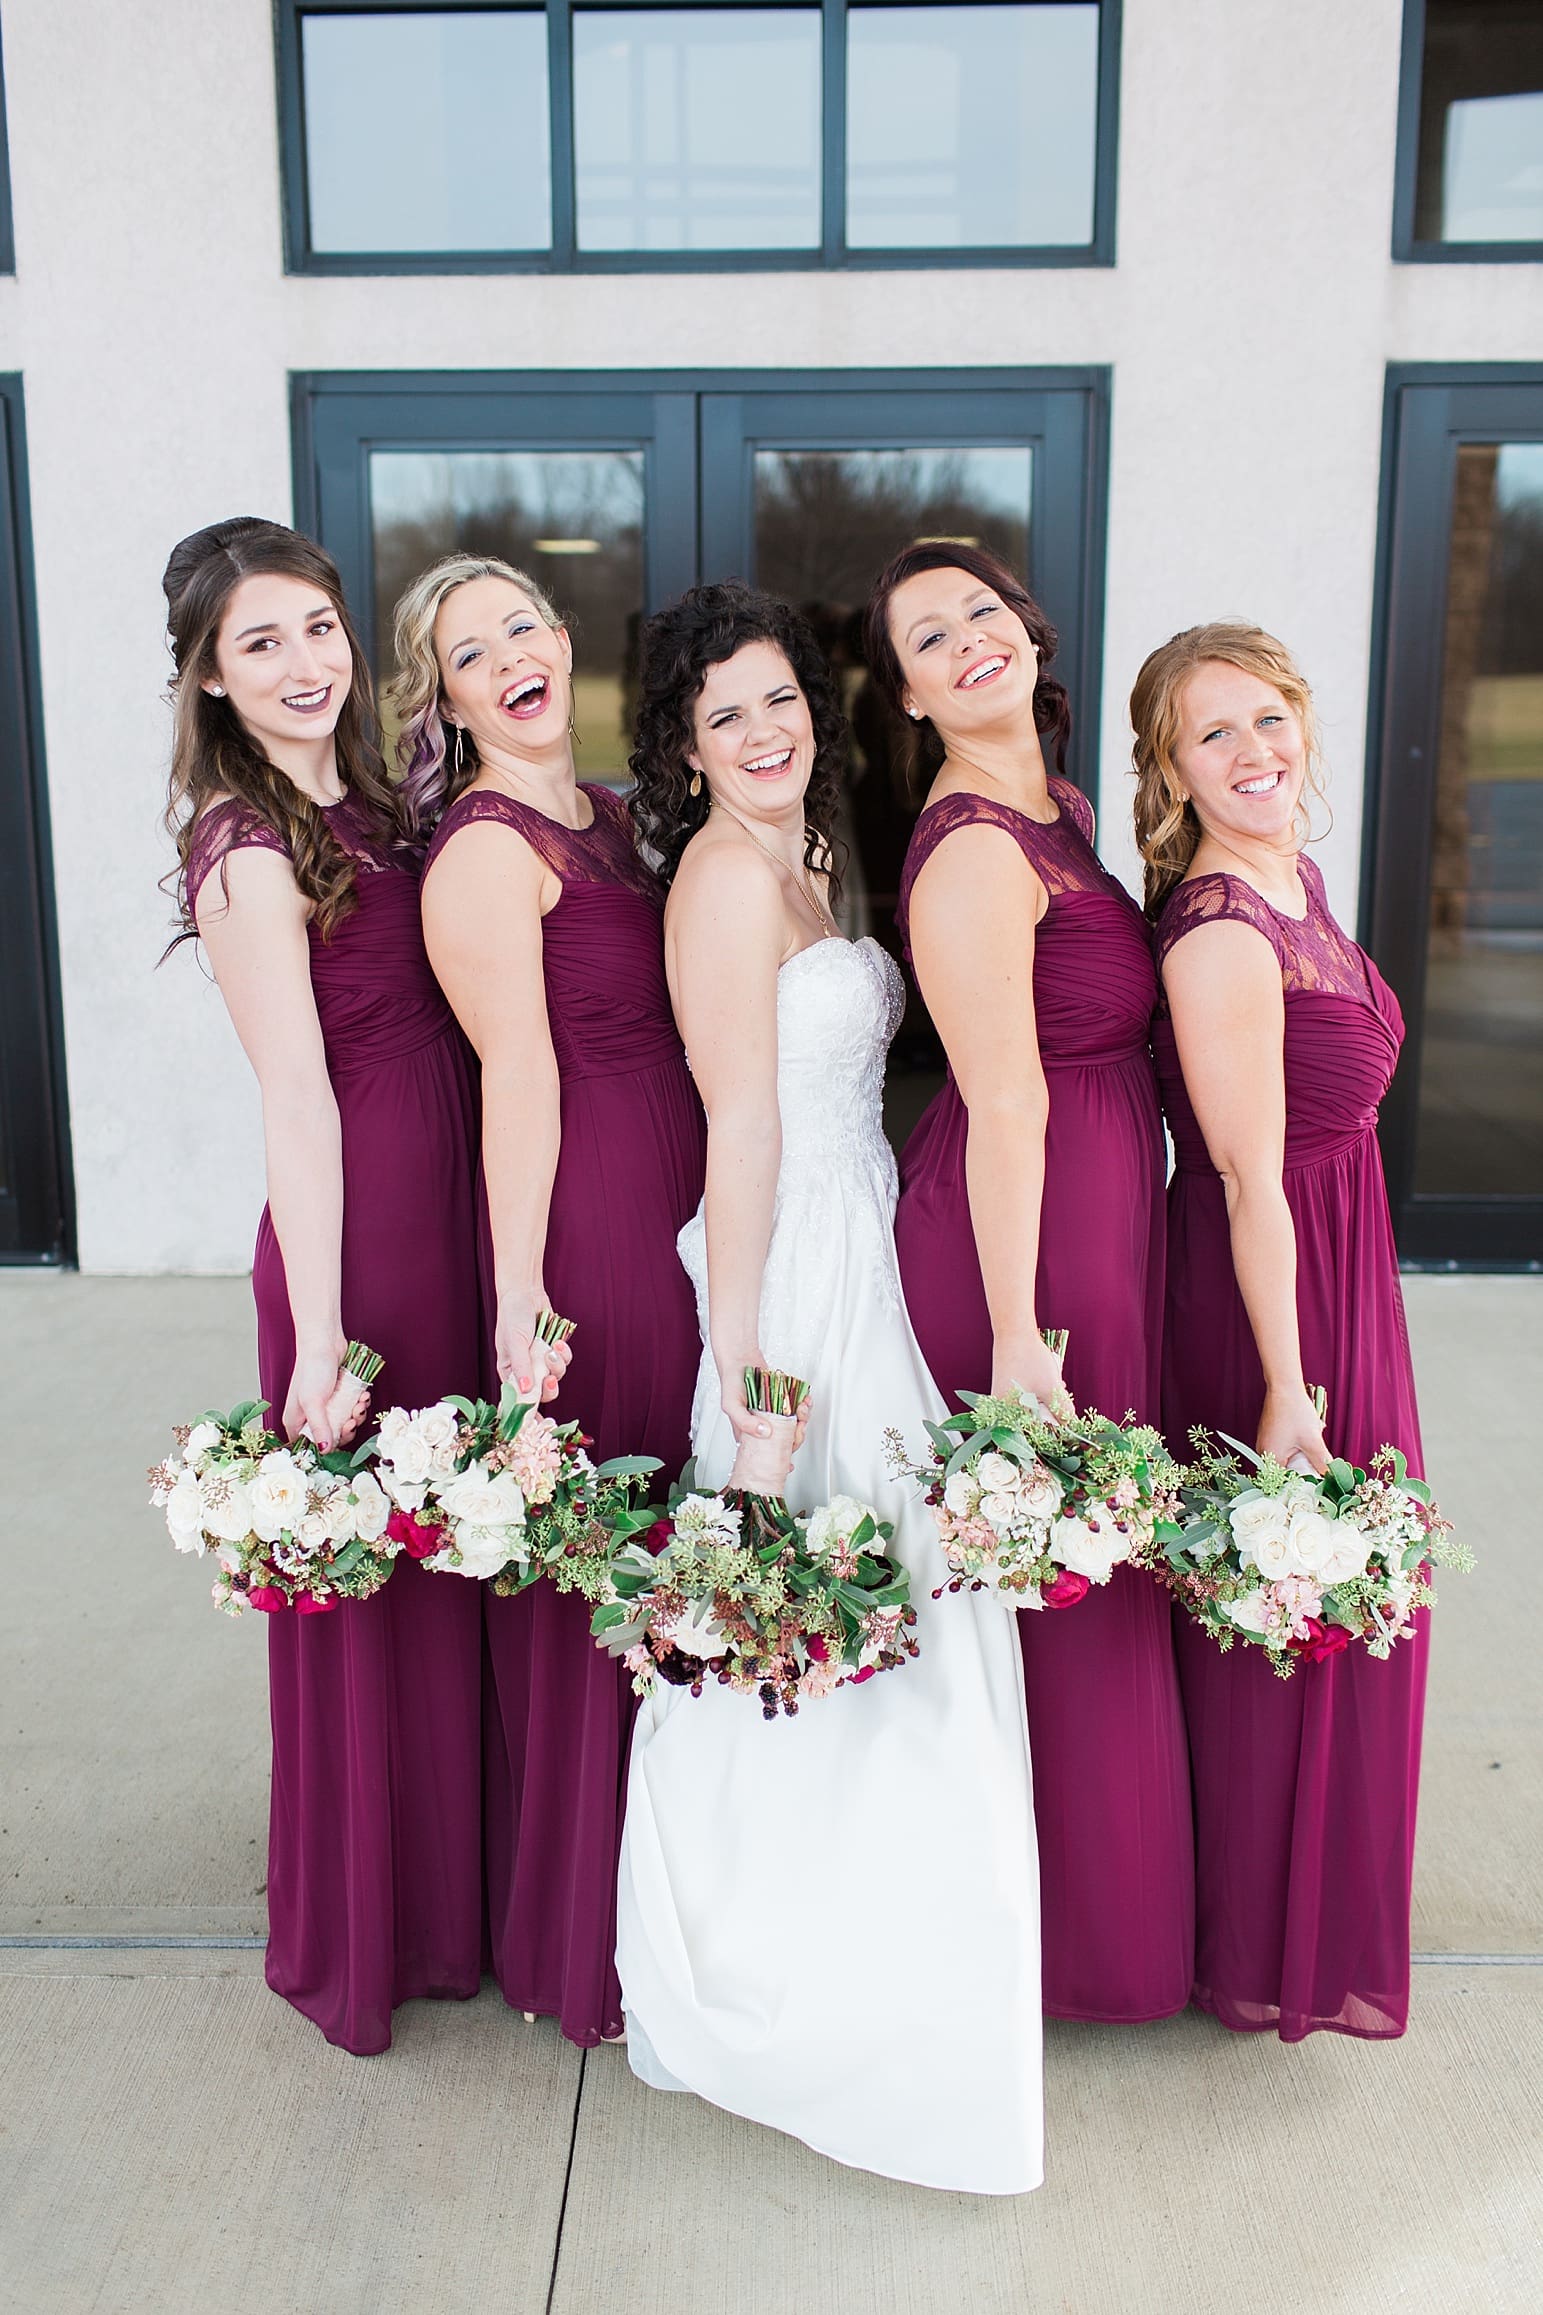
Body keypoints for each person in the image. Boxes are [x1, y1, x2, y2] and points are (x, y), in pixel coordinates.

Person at [616, 582, 1042, 2194]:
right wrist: (747, 1363)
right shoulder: (723, 881)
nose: (766, 730)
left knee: (906, 1595)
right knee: (810, 1589)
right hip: (793, 1264)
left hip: (868, 1229)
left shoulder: (810, 849)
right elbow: (741, 1125)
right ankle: (778, 1969)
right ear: (681, 747)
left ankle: (914, 1941)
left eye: (780, 698)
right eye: (724, 715)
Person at [163, 516, 483, 2054]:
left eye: (315, 629)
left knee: (459, 1556)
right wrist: (329, 1327)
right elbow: (296, 1096)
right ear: (211, 683)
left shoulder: (374, 805)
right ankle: (376, 1923)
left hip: (452, 1206)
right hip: (360, 1239)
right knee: (381, 1576)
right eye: (259, 645)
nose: (302, 665)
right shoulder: (241, 849)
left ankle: (458, 1888)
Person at [864, 541, 1194, 2025]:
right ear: (912, 695)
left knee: (1095, 1574)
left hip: (1098, 1205)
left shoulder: (1054, 804)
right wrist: (1013, 1335)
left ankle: (1108, 1921)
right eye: (929, 639)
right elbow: (1003, 1102)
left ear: (1029, 632)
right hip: (1030, 1233)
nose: (967, 642)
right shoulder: (976, 844)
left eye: (981, 613)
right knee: (1062, 1576)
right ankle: (1061, 1952)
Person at [395, 553, 705, 2047]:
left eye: (523, 623)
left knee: (693, 1524)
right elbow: (511, 1075)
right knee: (615, 1548)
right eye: (471, 650)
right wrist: (521, 1296)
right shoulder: (482, 850)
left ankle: (682, 1892)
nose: (509, 654)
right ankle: (581, 1927)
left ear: (564, 642)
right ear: (447, 702)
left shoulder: (628, 822)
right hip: (594, 1212)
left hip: (692, 1183)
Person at [1133, 621, 1429, 2040]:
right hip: (1277, 1296)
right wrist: (1289, 1387)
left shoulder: (1295, 881)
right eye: (1215, 735)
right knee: (1282, 1608)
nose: (1255, 754)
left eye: (1270, 720)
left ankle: (1307, 1911)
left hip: (1341, 1264)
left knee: (1340, 1610)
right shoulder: (1218, 931)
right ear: (1172, 771)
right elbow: (1248, 1177)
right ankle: (1257, 1940)